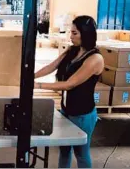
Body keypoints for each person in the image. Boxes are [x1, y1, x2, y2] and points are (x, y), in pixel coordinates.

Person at [34, 15, 104, 168]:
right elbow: (51, 66)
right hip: (67, 110)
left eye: (74, 33)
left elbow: (70, 85)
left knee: (81, 153)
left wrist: (36, 86)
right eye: (70, 32)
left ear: (86, 34)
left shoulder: (95, 58)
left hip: (83, 115)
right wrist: (30, 77)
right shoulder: (73, 50)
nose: (70, 36)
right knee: (64, 150)